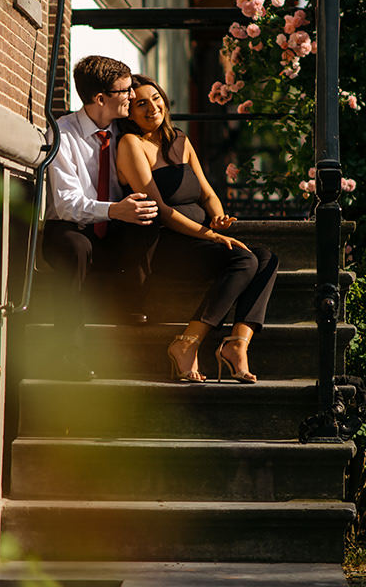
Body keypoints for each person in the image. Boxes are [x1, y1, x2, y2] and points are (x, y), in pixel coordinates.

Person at [114, 75, 278, 383]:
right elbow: (160, 211)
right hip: (166, 244)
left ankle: (238, 343)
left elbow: (207, 193)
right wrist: (212, 235)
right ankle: (187, 343)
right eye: (141, 104)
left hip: (200, 239)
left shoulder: (180, 139)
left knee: (267, 258)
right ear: (130, 113)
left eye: (156, 98)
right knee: (245, 260)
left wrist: (217, 218)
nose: (152, 108)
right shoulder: (130, 144)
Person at [41, 56, 160, 378]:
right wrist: (114, 210)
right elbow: (65, 203)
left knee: (149, 221)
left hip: (113, 226)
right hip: (69, 227)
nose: (132, 97)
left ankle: (133, 308)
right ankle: (69, 354)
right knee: (75, 249)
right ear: (100, 98)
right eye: (125, 90)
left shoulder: (126, 132)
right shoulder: (63, 134)